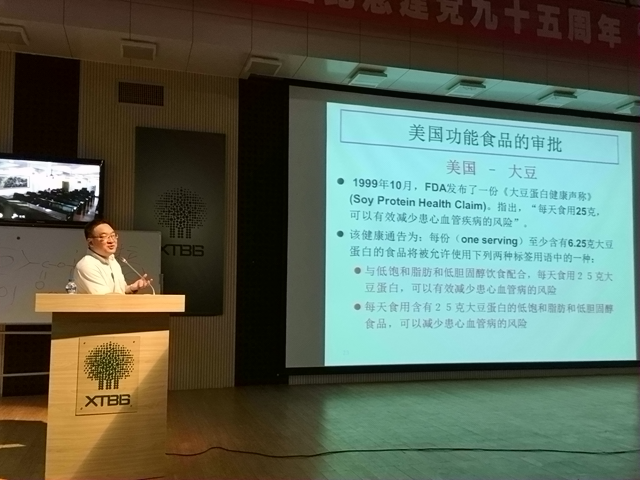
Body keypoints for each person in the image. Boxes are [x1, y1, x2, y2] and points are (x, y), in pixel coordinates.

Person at [74, 218, 152, 294]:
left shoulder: (112, 260)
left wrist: (131, 288)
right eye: (104, 236)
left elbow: (120, 291)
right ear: (91, 242)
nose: (111, 241)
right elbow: (106, 298)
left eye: (113, 235)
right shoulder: (87, 265)